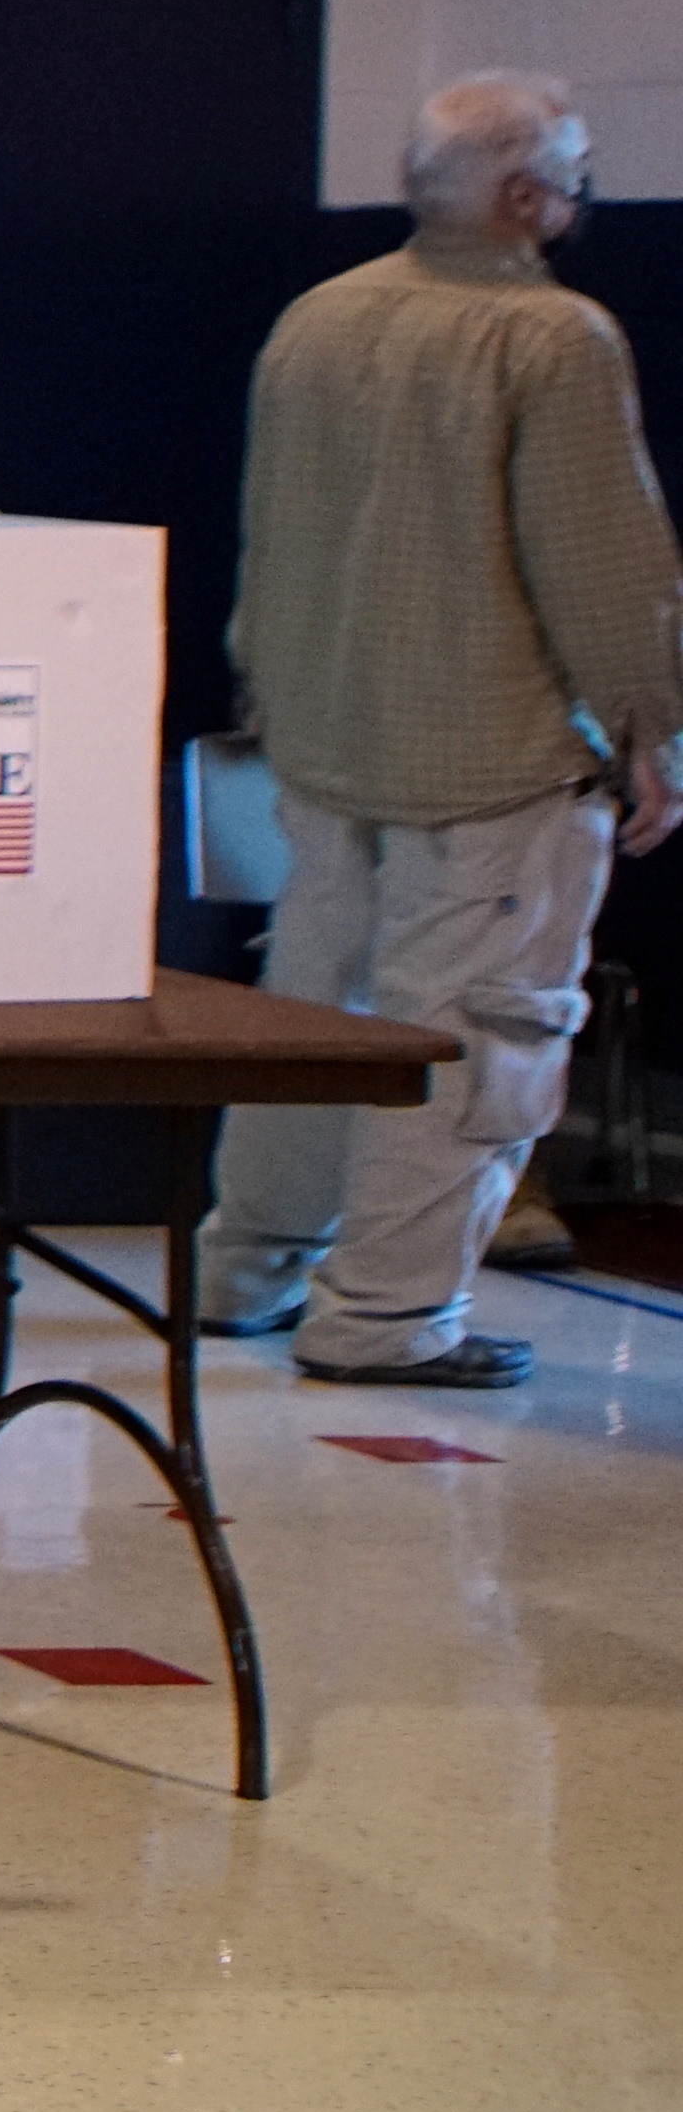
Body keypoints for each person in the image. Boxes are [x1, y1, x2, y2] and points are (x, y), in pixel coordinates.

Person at [206, 74, 683, 1391]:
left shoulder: (319, 316)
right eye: (573, 177)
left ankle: (246, 1269)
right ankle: (389, 1319)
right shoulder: (556, 338)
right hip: (490, 754)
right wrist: (652, 730)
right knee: (479, 1029)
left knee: (313, 1019)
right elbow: (603, 562)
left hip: (318, 737)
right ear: (527, 197)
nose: (578, 202)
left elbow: (269, 526)